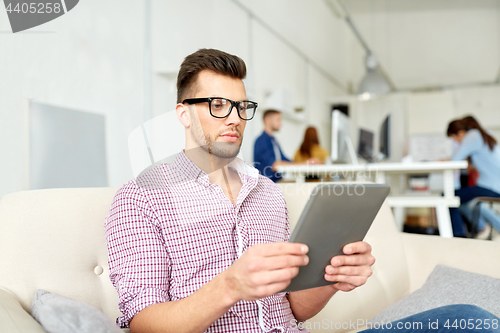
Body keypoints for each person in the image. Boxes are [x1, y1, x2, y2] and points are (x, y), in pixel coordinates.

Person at [105, 49, 498, 333]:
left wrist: (332, 276)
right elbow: (144, 323)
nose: (235, 119)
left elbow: (294, 310)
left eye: (242, 107)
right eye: (219, 105)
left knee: (470, 317)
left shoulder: (268, 194)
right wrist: (230, 285)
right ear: (183, 113)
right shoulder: (141, 197)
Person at [447, 116, 500, 238]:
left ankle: (459, 236)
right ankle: (482, 228)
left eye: (455, 138)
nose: (456, 142)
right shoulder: (486, 135)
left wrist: (444, 160)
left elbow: (455, 159)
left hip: (492, 186)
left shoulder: (473, 135)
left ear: (461, 132)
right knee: (462, 201)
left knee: (449, 196)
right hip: (493, 185)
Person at [254, 111, 319, 182]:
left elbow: (284, 159)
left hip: (276, 181)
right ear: (267, 120)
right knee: (302, 185)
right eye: (278, 119)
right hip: (268, 184)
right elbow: (274, 165)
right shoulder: (262, 141)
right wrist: (304, 164)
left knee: (303, 183)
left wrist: (306, 163)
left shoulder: (273, 141)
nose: (281, 124)